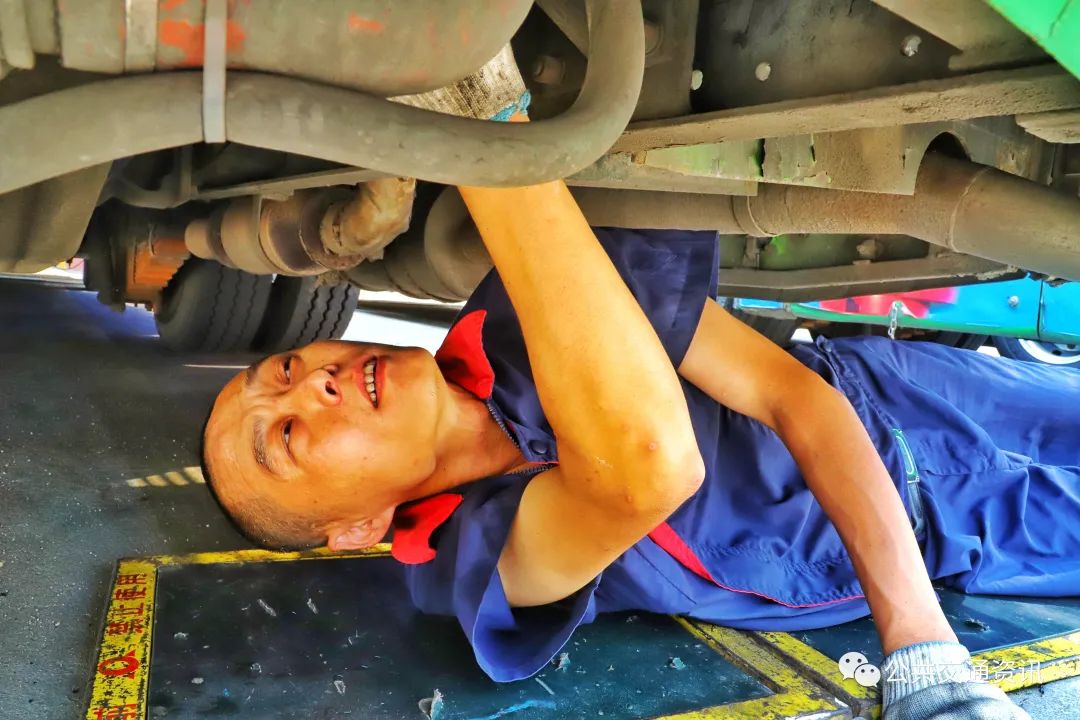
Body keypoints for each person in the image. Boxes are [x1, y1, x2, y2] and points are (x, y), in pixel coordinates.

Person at [201, 50, 1079, 720]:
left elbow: (790, 393)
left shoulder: (522, 305)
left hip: (893, 390)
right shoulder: (471, 562)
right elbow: (648, 469)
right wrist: (474, 117)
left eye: (284, 369)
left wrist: (916, 636)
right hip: (956, 529)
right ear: (357, 529)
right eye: (287, 436)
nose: (311, 384)